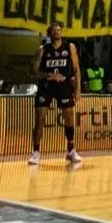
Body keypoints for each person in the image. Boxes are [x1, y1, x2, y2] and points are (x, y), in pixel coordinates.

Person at [28, 23, 82, 165]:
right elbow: (32, 71)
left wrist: (78, 90)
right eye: (54, 30)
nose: (57, 32)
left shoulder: (70, 47)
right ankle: (36, 152)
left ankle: (71, 150)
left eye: (59, 30)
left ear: (62, 32)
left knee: (69, 118)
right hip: (46, 87)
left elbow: (76, 70)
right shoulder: (42, 50)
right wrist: (49, 75)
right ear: (49, 33)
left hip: (64, 87)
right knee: (40, 119)